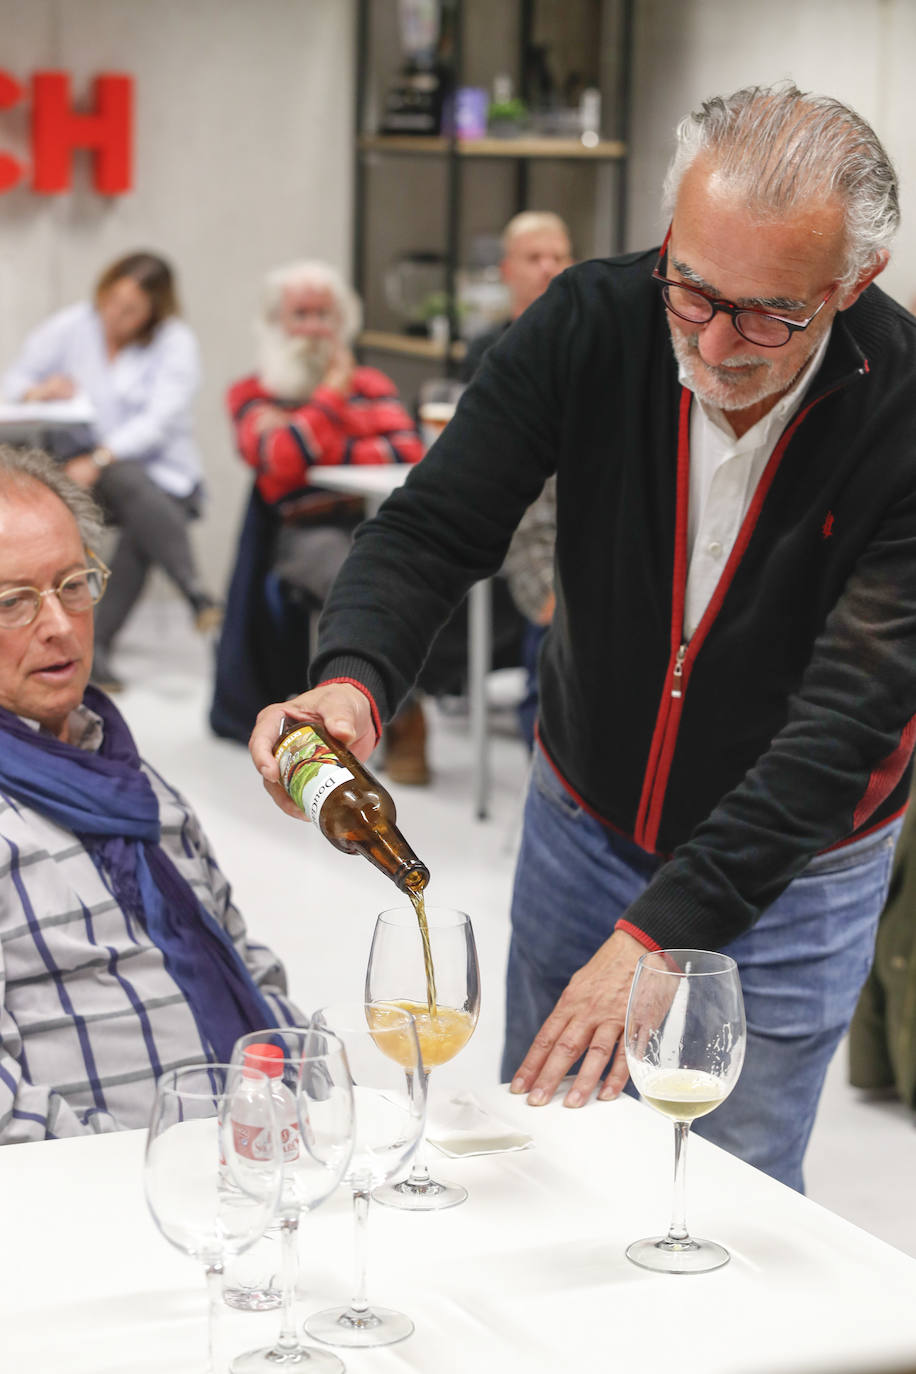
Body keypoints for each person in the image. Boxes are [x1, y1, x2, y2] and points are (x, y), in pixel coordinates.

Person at [249, 82, 916, 1193]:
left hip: (798, 866)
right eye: (691, 289)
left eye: (766, 313)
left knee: (724, 1196)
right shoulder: (591, 321)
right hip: (587, 818)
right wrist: (354, 684)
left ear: (853, 282)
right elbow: (432, 525)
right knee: (543, 1168)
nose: (714, 339)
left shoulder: (900, 414)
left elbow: (843, 725)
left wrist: (657, 936)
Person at [0, 445, 301, 1144]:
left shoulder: (129, 773)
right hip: (110, 1208)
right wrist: (171, 1164)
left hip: (259, 1169)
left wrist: (308, 1092)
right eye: (14, 601)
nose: (59, 624)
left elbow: (246, 962)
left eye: (74, 584)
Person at [211, 260, 430, 782]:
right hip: (299, 535)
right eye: (300, 315)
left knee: (423, 574)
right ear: (275, 323)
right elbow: (277, 459)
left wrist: (314, 436)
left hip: (375, 521)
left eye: (323, 315)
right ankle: (405, 719)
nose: (312, 327)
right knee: (359, 577)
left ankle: (399, 704)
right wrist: (334, 397)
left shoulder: (372, 381)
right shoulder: (250, 391)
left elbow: (407, 450)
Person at [1, 252, 220, 693]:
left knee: (136, 503)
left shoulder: (175, 343)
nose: (116, 315)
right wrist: (38, 391)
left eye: (131, 309)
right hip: (92, 474)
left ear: (153, 313)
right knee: (131, 496)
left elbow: (158, 421)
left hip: (162, 476)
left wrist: (100, 458)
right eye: (112, 301)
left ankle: (96, 652)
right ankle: (195, 591)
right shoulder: (73, 325)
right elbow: (13, 381)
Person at [460, 212, 573, 749]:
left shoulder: (589, 340)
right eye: (535, 257)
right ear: (507, 270)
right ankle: (546, 736)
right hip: (520, 511)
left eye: (558, 256)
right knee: (557, 593)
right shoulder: (490, 352)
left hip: (581, 504)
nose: (549, 267)